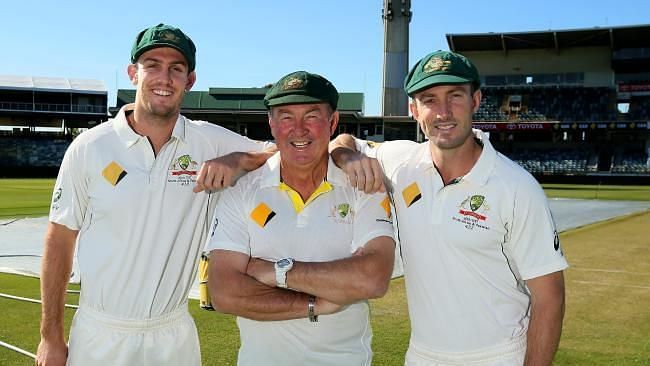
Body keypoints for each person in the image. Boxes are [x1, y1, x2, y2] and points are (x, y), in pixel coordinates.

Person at [36, 23, 276, 366]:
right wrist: (50, 337)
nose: (164, 78)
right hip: (101, 333)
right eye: (153, 65)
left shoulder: (209, 141)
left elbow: (283, 154)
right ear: (133, 72)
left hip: (172, 333)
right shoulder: (90, 147)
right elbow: (59, 241)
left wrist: (240, 158)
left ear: (189, 81)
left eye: (176, 69)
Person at [331, 50, 568, 365]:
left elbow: (550, 299)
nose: (443, 112)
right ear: (414, 109)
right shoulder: (400, 162)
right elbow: (342, 140)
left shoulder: (516, 187)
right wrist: (348, 157)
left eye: (455, 96)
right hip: (422, 355)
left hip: (498, 356)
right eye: (429, 99)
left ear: (475, 100)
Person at [205, 71, 396, 365]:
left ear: (332, 122)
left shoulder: (364, 185)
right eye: (285, 117)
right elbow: (225, 292)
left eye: (311, 116)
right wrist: (315, 303)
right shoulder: (242, 189)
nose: (299, 130)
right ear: (271, 123)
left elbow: (373, 278)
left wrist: (276, 272)